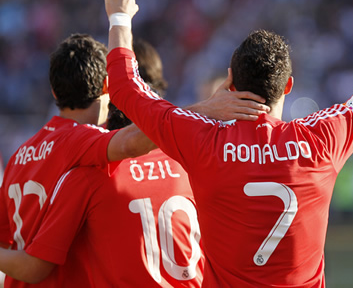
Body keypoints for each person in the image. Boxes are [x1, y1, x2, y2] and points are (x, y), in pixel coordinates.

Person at [97, 0, 353, 287]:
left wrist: (120, 18)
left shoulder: (202, 139)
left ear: (230, 83)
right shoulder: (321, 138)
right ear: (289, 86)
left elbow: (126, 88)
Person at [0, 33, 267, 286]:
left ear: (54, 92)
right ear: (108, 85)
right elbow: (133, 139)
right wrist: (203, 111)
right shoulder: (87, 151)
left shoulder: (20, 155)